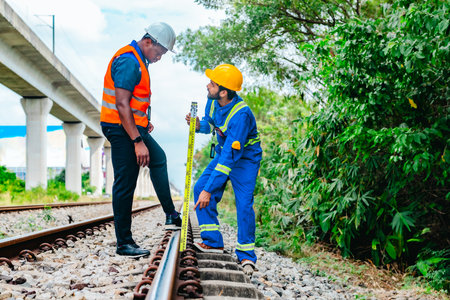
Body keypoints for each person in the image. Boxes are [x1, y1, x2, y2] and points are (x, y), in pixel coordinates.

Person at [101, 22, 182, 258]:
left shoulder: (139, 60)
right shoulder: (129, 60)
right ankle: (124, 243)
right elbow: (121, 103)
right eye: (159, 53)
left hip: (133, 127)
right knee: (126, 183)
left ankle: (170, 214)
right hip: (121, 129)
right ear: (149, 42)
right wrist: (138, 140)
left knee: (158, 159)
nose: (159, 58)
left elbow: (135, 102)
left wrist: (144, 123)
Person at [185, 64, 262, 274]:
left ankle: (246, 255)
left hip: (245, 159)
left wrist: (210, 191)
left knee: (244, 204)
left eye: (212, 83)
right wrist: (198, 125)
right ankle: (213, 241)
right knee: (199, 187)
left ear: (224, 92)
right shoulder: (212, 102)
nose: (207, 85)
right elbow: (212, 125)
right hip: (224, 152)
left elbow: (229, 159)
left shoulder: (241, 114)